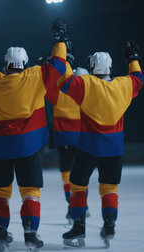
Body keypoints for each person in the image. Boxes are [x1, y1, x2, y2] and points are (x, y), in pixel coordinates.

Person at [0, 19, 68, 251]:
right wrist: (59, 38)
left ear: (6, 65)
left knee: (1, 192)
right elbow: (59, 64)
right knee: (30, 192)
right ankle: (30, 234)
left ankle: (1, 232)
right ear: (25, 63)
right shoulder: (36, 75)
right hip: (27, 146)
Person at [53, 41, 144, 247]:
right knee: (109, 188)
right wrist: (133, 58)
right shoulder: (123, 85)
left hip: (88, 148)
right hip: (114, 149)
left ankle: (78, 226)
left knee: (77, 186)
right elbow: (138, 79)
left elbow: (64, 81)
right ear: (109, 68)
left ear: (93, 68)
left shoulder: (86, 84)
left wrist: (67, 58)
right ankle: (109, 225)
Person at [51, 45, 89, 224]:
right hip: (82, 136)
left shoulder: (60, 90)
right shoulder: (88, 93)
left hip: (64, 136)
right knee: (81, 173)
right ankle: (82, 204)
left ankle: (71, 204)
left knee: (66, 173)